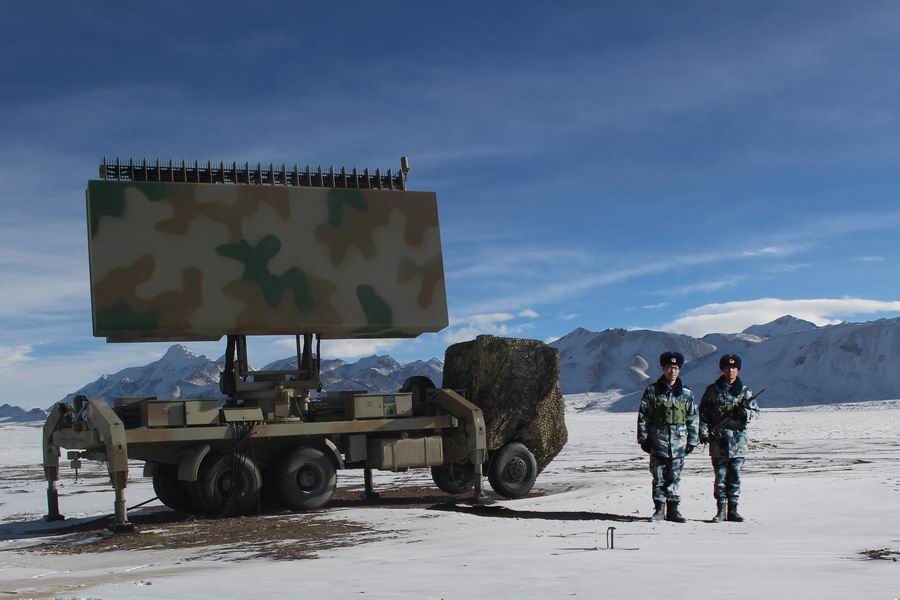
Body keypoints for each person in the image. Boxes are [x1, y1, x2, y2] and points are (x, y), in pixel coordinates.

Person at [637, 351, 699, 522]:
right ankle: (659, 509)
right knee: (658, 477)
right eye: (669, 368)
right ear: (663, 369)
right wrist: (643, 439)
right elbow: (643, 416)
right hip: (658, 442)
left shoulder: (686, 393)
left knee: (674, 477)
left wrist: (692, 440)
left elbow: (692, 417)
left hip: (679, 442)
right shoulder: (652, 391)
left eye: (675, 368)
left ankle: (673, 510)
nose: (672, 371)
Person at [699, 354, 760, 522]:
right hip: (718, 442)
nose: (730, 370)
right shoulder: (712, 391)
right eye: (727, 368)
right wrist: (703, 433)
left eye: (733, 368)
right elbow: (703, 414)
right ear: (722, 370)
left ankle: (733, 510)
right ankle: (721, 511)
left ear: (738, 370)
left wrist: (745, 413)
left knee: (735, 478)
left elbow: (755, 414)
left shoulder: (745, 391)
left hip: (738, 442)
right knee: (720, 478)